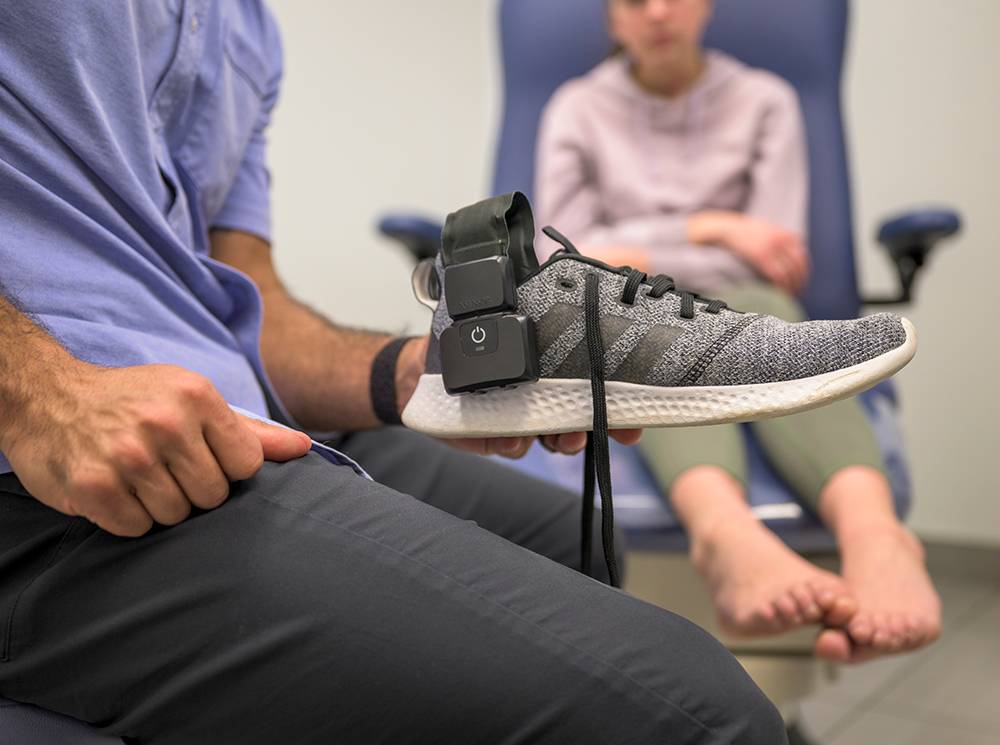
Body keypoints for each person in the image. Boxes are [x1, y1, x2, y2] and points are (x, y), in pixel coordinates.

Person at [0, 1, 790, 743]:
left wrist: (418, 370)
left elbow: (249, 303)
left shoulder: (242, 28)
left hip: (234, 412)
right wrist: (39, 394)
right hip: (52, 475)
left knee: (572, 535)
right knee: (703, 716)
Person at [533, 0, 941, 664]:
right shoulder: (575, 109)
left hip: (753, 306)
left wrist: (638, 252)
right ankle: (724, 535)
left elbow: (773, 256)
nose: (658, 12)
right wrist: (713, 227)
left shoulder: (764, 101)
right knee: (651, 319)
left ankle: (876, 536)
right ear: (612, 19)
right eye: (635, 1)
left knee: (754, 300)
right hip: (628, 316)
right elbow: (566, 267)